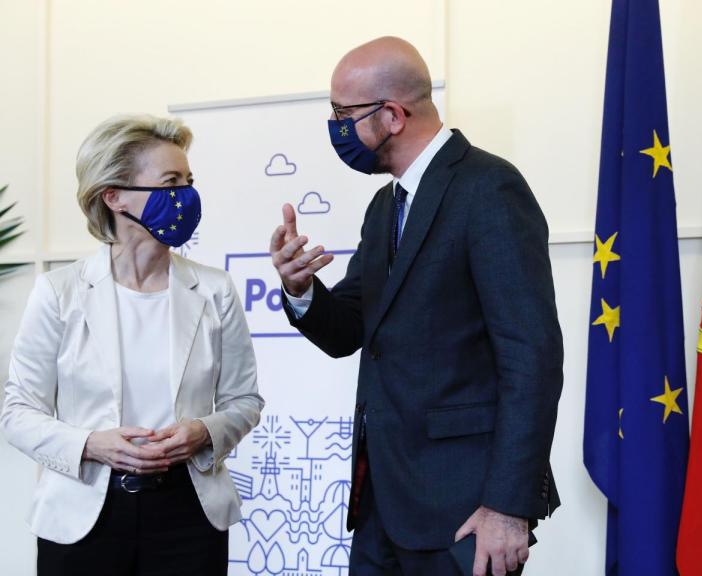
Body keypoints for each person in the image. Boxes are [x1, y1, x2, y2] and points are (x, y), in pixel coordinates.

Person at [270, 37, 563, 576]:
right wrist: (299, 288)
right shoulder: (386, 204)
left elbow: (533, 357)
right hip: (383, 501)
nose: (334, 127)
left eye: (342, 113)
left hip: (467, 511)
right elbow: (350, 330)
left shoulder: (489, 187)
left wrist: (508, 505)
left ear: (392, 115)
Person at [1, 114, 264, 576]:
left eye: (189, 180)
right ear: (113, 196)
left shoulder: (214, 289)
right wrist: (92, 444)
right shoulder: (59, 292)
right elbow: (18, 411)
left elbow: (245, 401)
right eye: (170, 182)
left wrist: (203, 432)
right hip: (83, 514)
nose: (186, 195)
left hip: (189, 514)